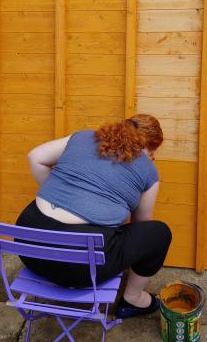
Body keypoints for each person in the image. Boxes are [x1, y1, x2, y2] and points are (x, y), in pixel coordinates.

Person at [16, 114, 172, 318]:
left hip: (31, 250)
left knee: (41, 205)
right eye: (152, 151)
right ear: (146, 146)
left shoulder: (82, 136)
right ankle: (134, 299)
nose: (151, 157)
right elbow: (141, 224)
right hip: (79, 268)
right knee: (158, 234)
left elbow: (35, 157)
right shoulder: (148, 170)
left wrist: (65, 195)